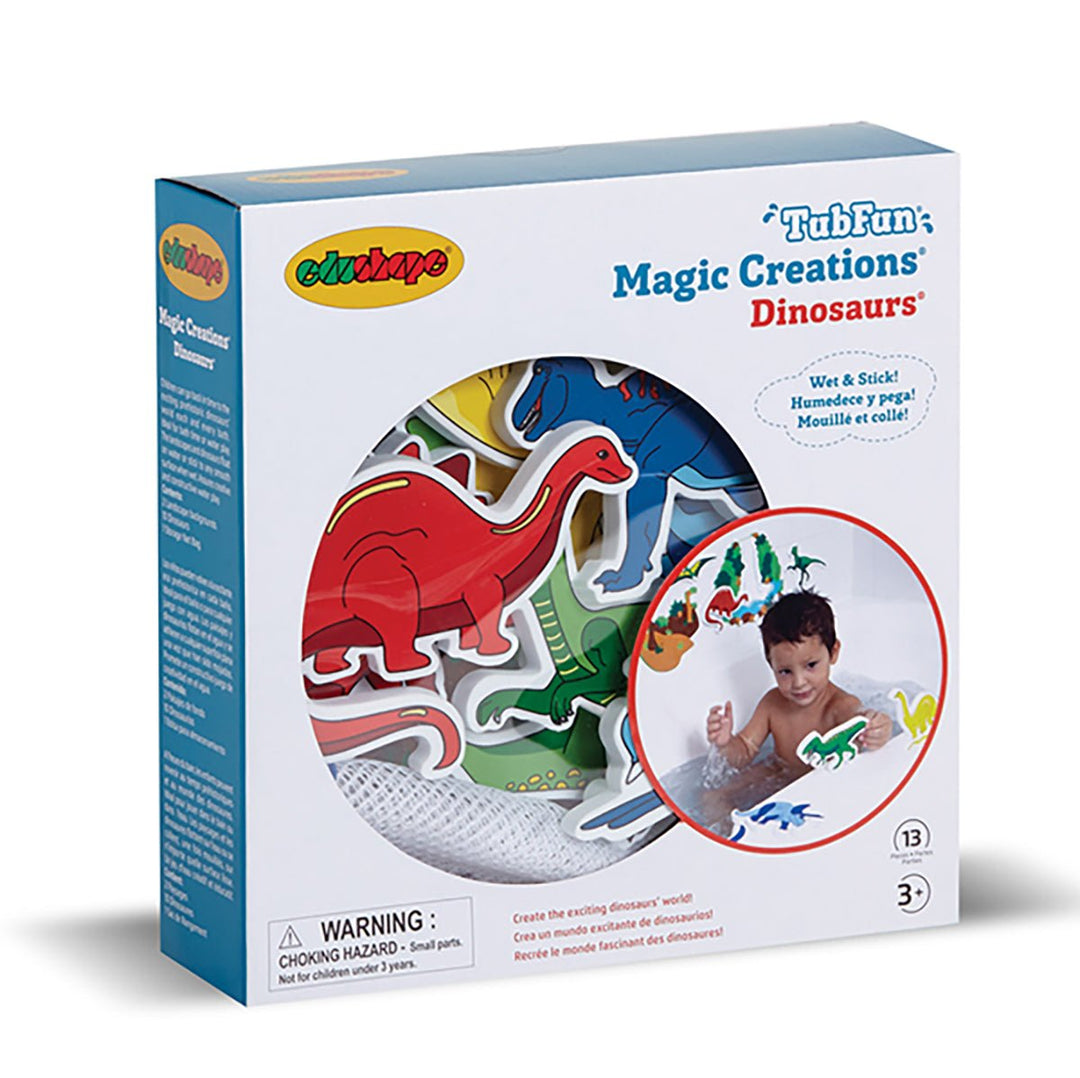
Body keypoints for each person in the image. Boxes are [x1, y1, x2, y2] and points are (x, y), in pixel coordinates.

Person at [702, 591, 892, 828]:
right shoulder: (772, 703)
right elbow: (744, 752)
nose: (799, 682)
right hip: (777, 771)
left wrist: (878, 728)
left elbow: (861, 721)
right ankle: (732, 837)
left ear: (833, 653)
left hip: (821, 782)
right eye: (785, 672)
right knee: (713, 797)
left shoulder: (840, 706)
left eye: (811, 665)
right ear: (771, 665)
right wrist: (725, 743)